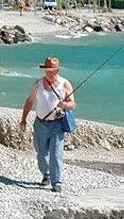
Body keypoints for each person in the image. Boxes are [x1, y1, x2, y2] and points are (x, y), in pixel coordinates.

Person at [19, 56, 76, 193]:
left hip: (57, 125)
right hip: (40, 124)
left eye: (53, 71)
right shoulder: (38, 84)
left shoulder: (65, 84)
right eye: (47, 71)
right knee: (41, 153)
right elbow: (30, 101)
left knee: (56, 154)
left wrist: (64, 104)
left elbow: (72, 105)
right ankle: (47, 174)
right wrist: (23, 119)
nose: (50, 73)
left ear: (57, 70)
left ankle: (57, 182)